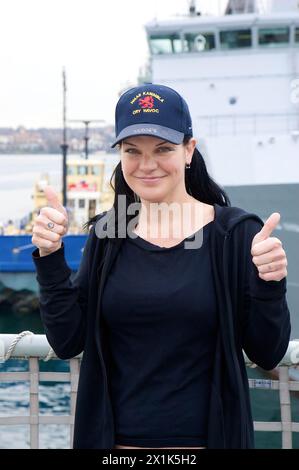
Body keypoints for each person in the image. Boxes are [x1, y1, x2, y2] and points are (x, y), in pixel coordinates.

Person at [31, 83, 291, 449]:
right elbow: (67, 339)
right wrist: (50, 256)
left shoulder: (234, 234)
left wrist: (271, 281)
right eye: (132, 150)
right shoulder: (109, 234)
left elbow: (268, 351)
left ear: (189, 151)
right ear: (120, 155)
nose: (147, 164)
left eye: (163, 149)